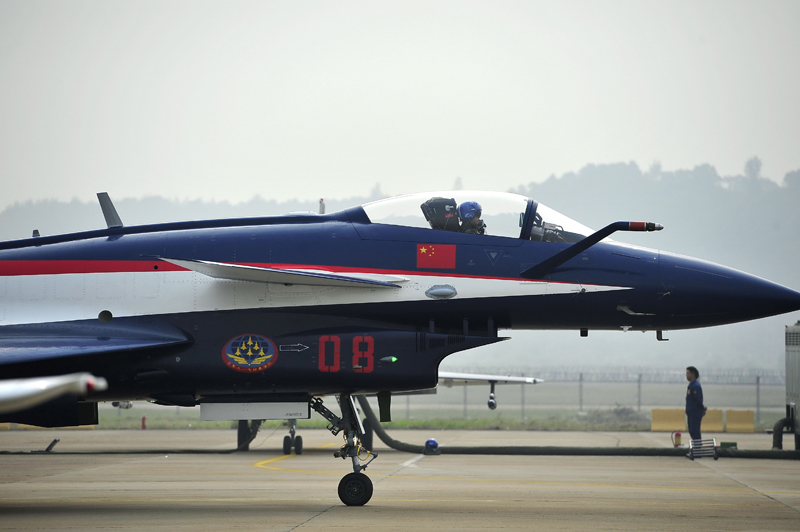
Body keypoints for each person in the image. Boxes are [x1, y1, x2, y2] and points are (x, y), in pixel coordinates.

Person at [685, 366, 707, 442]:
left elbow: (698, 400)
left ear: (693, 374)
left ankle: (697, 449)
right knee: (692, 431)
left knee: (695, 432)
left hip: (695, 412)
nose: (686, 375)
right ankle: (696, 448)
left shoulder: (695, 386)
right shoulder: (691, 386)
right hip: (691, 412)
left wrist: (702, 407)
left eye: (688, 373)